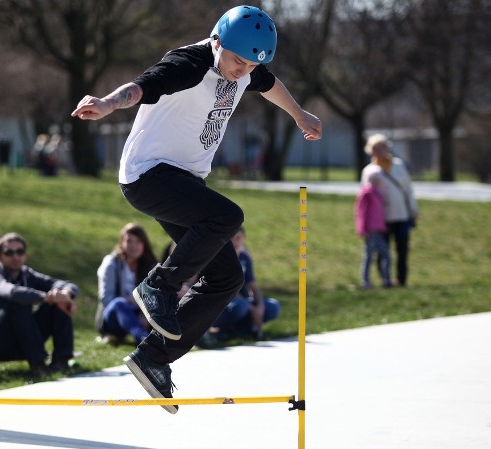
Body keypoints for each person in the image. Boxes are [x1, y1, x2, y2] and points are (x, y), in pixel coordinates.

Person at [71, 5, 322, 413]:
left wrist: (300, 114)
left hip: (183, 182)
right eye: (237, 61)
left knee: (227, 277)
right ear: (217, 41)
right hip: (148, 175)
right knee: (226, 217)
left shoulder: (247, 67)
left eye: (249, 65)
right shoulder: (190, 63)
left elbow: (268, 82)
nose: (241, 71)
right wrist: (107, 103)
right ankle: (159, 286)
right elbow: (141, 87)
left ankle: (153, 357)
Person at [0, 232, 79, 377]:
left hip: (23, 340)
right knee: (18, 301)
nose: (15, 257)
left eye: (20, 252)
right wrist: (47, 297)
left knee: (57, 303)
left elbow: (65, 284)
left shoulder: (27, 274)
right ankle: (38, 365)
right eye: (9, 253)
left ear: (25, 255)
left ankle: (61, 361)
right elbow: (12, 292)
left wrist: (65, 296)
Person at [200, 228, 281, 346]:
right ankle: (219, 330)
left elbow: (253, 284)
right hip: (224, 304)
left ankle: (244, 330)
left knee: (273, 306)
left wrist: (260, 306)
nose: (235, 242)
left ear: (244, 239)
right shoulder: (219, 258)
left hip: (243, 301)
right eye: (231, 238)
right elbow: (229, 290)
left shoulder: (244, 257)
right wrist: (251, 308)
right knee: (240, 307)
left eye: (238, 238)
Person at [361, 134, 418, 288]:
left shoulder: (398, 165)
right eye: (375, 148)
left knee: (402, 249)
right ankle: (385, 279)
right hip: (381, 218)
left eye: (381, 147)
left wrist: (413, 209)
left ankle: (401, 279)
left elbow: (408, 189)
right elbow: (364, 196)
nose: (379, 151)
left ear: (387, 148)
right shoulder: (369, 170)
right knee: (382, 250)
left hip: (401, 214)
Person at [96, 223, 157, 346]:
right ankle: (143, 338)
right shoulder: (112, 264)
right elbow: (107, 299)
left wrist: (144, 313)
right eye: (129, 241)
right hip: (114, 316)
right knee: (119, 303)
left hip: (142, 315)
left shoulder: (150, 266)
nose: (133, 246)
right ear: (121, 243)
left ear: (144, 244)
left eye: (138, 241)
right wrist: (131, 300)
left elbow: (156, 296)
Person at [354, 172, 392, 289]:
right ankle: (370, 281)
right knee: (376, 256)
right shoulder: (367, 194)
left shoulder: (377, 193)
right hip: (370, 230)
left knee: (373, 256)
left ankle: (377, 280)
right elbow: (361, 213)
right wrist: (362, 229)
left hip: (377, 229)